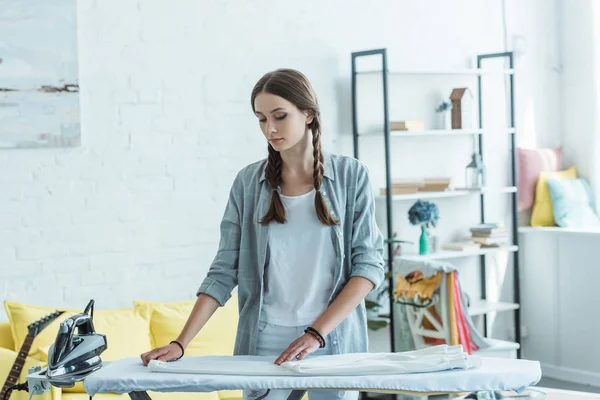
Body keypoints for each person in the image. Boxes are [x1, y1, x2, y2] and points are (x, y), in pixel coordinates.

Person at [141, 68, 385, 400]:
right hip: (265, 339)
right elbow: (224, 270)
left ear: (309, 113)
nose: (269, 128)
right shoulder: (248, 184)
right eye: (261, 119)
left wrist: (316, 333)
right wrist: (180, 343)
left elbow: (368, 266)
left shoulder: (351, 176)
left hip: (332, 338)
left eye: (280, 116)